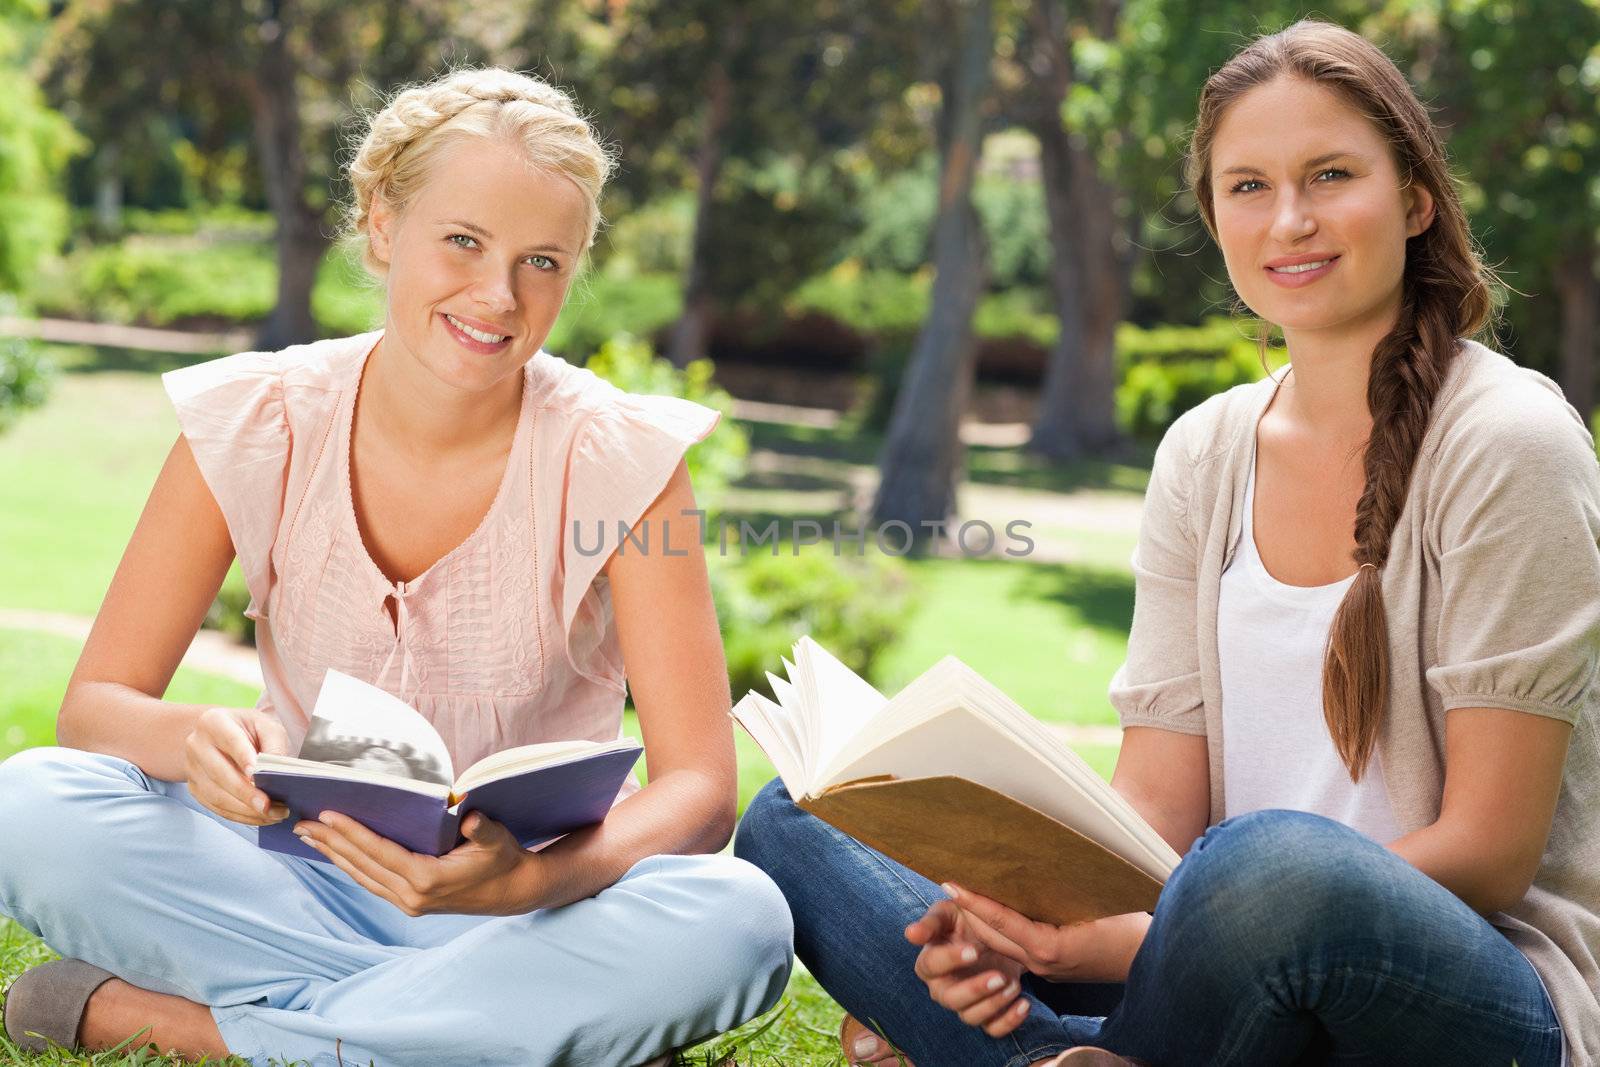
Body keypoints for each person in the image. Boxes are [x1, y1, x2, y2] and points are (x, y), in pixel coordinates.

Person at [734, 19, 1599, 1067]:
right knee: (799, 818)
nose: (1289, 219)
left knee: (1267, 865)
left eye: (1330, 174)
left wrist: (1165, 923)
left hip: (1463, 990)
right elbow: (1153, 819)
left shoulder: (1508, 439)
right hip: (1207, 952)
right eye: (1247, 186)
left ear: (1415, 198)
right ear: (1214, 217)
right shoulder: (1204, 451)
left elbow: (1490, 850)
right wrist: (1031, 930)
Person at [0, 67, 793, 1067]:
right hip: (293, 880)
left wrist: (528, 885)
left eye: (541, 261)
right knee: (29, 803)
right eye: (462, 241)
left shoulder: (622, 456)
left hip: (527, 911)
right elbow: (96, 707)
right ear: (382, 225)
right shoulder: (258, 418)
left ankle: (191, 1029)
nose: (498, 295)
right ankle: (488, 1032)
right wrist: (194, 736)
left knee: (740, 917)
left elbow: (700, 790)